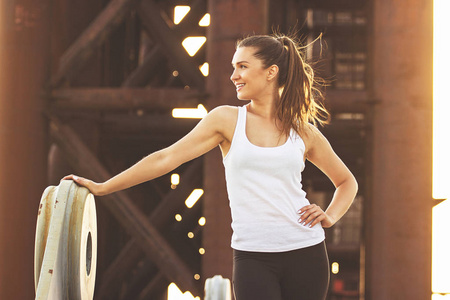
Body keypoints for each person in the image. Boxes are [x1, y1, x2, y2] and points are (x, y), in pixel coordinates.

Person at [63, 33, 358, 300]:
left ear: (271, 72)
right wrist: (104, 187)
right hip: (253, 256)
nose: (233, 76)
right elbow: (166, 158)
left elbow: (346, 182)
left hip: (306, 252)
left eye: (242, 66)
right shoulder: (226, 120)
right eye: (233, 67)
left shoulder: (302, 130)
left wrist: (330, 216)